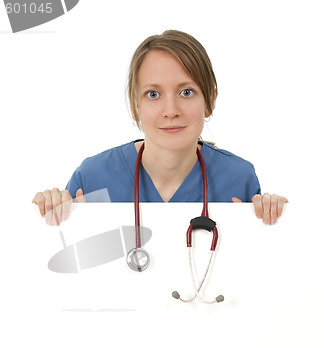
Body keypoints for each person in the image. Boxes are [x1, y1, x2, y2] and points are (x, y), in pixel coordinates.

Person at [32, 30, 288, 225]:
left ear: (209, 101)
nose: (170, 110)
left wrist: (274, 216)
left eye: (186, 92)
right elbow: (69, 265)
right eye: (153, 94)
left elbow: (253, 270)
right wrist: (50, 209)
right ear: (135, 106)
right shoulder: (94, 177)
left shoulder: (238, 178)